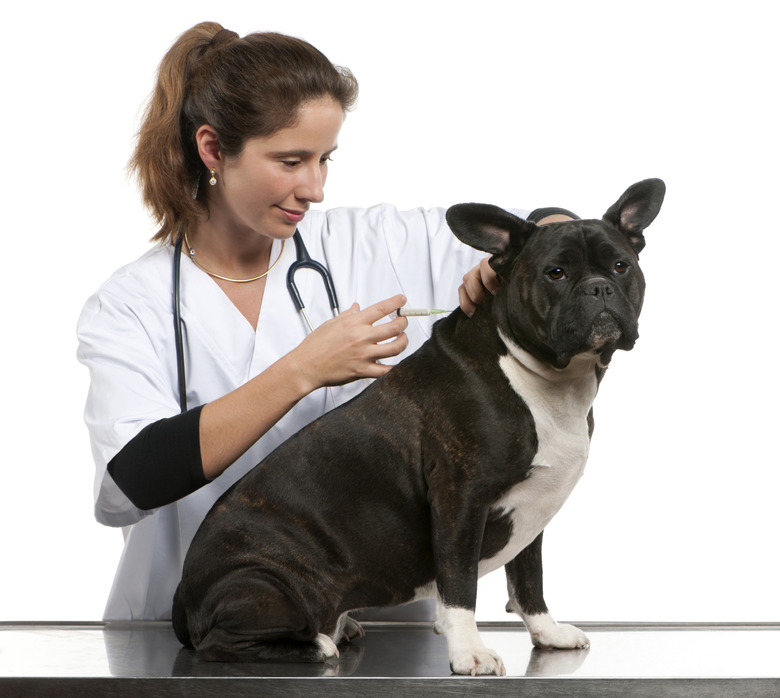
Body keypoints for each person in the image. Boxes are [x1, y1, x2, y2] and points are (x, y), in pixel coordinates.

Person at [77, 22, 572, 622]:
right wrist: (303, 370)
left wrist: (511, 259)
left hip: (383, 636)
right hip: (206, 631)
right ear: (212, 149)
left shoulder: (369, 242)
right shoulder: (133, 303)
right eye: (290, 161)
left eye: (324, 159)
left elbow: (555, 228)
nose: (314, 188)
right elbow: (134, 478)